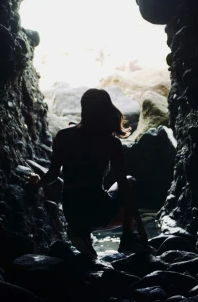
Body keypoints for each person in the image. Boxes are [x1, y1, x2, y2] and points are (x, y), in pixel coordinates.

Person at [28, 88, 150, 258]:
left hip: (72, 210)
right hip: (98, 210)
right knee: (130, 182)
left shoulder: (64, 136)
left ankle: (80, 233)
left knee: (81, 211)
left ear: (83, 108)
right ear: (107, 109)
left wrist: (37, 184)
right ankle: (128, 239)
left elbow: (53, 174)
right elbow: (123, 184)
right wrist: (140, 225)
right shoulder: (111, 143)